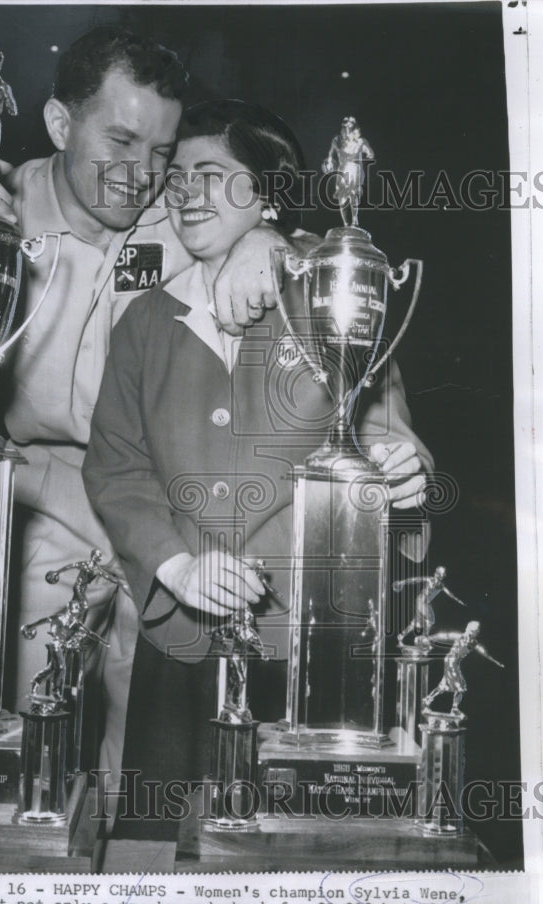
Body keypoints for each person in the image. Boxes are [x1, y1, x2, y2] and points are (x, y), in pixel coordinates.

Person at [0, 30, 301, 789]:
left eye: (160, 150)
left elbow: (291, 234)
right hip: (27, 492)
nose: (142, 176)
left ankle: (137, 877)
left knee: (163, 748)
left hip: (156, 500)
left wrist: (272, 242)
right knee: (20, 709)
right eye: (119, 140)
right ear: (60, 125)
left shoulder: (176, 212)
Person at [83, 99, 433, 839]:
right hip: (177, 636)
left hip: (310, 640)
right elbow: (116, 467)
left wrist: (406, 479)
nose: (184, 194)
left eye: (211, 175)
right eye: (175, 177)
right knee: (156, 843)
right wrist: (172, 564)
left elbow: (387, 434)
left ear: (267, 191)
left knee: (292, 849)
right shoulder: (144, 322)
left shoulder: (335, 299)